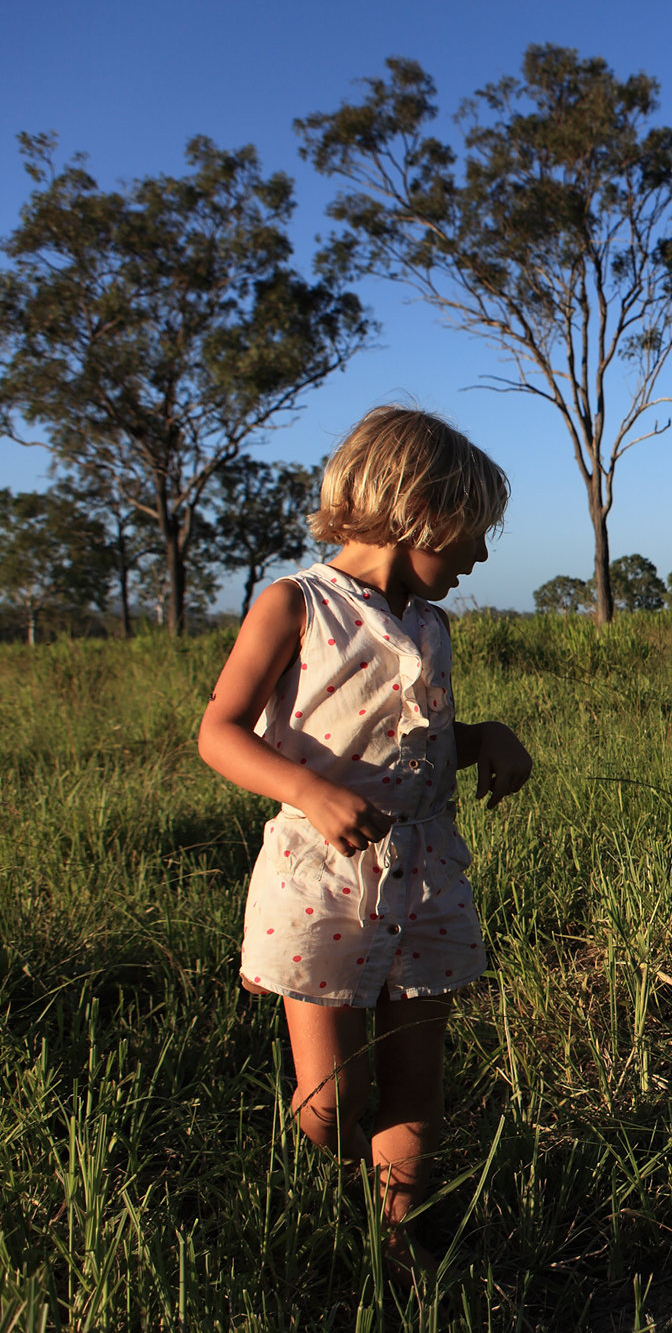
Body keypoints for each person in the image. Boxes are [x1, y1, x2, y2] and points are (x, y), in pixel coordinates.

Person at [198, 406, 533, 1280]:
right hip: (320, 880)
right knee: (326, 1100)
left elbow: (415, 745)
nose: (480, 558)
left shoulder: (431, 625)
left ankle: (400, 1237)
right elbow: (222, 732)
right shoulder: (293, 605)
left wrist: (486, 735)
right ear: (420, 510)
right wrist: (308, 789)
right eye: (473, 535)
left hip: (424, 876)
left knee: (419, 1079)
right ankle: (341, 1184)